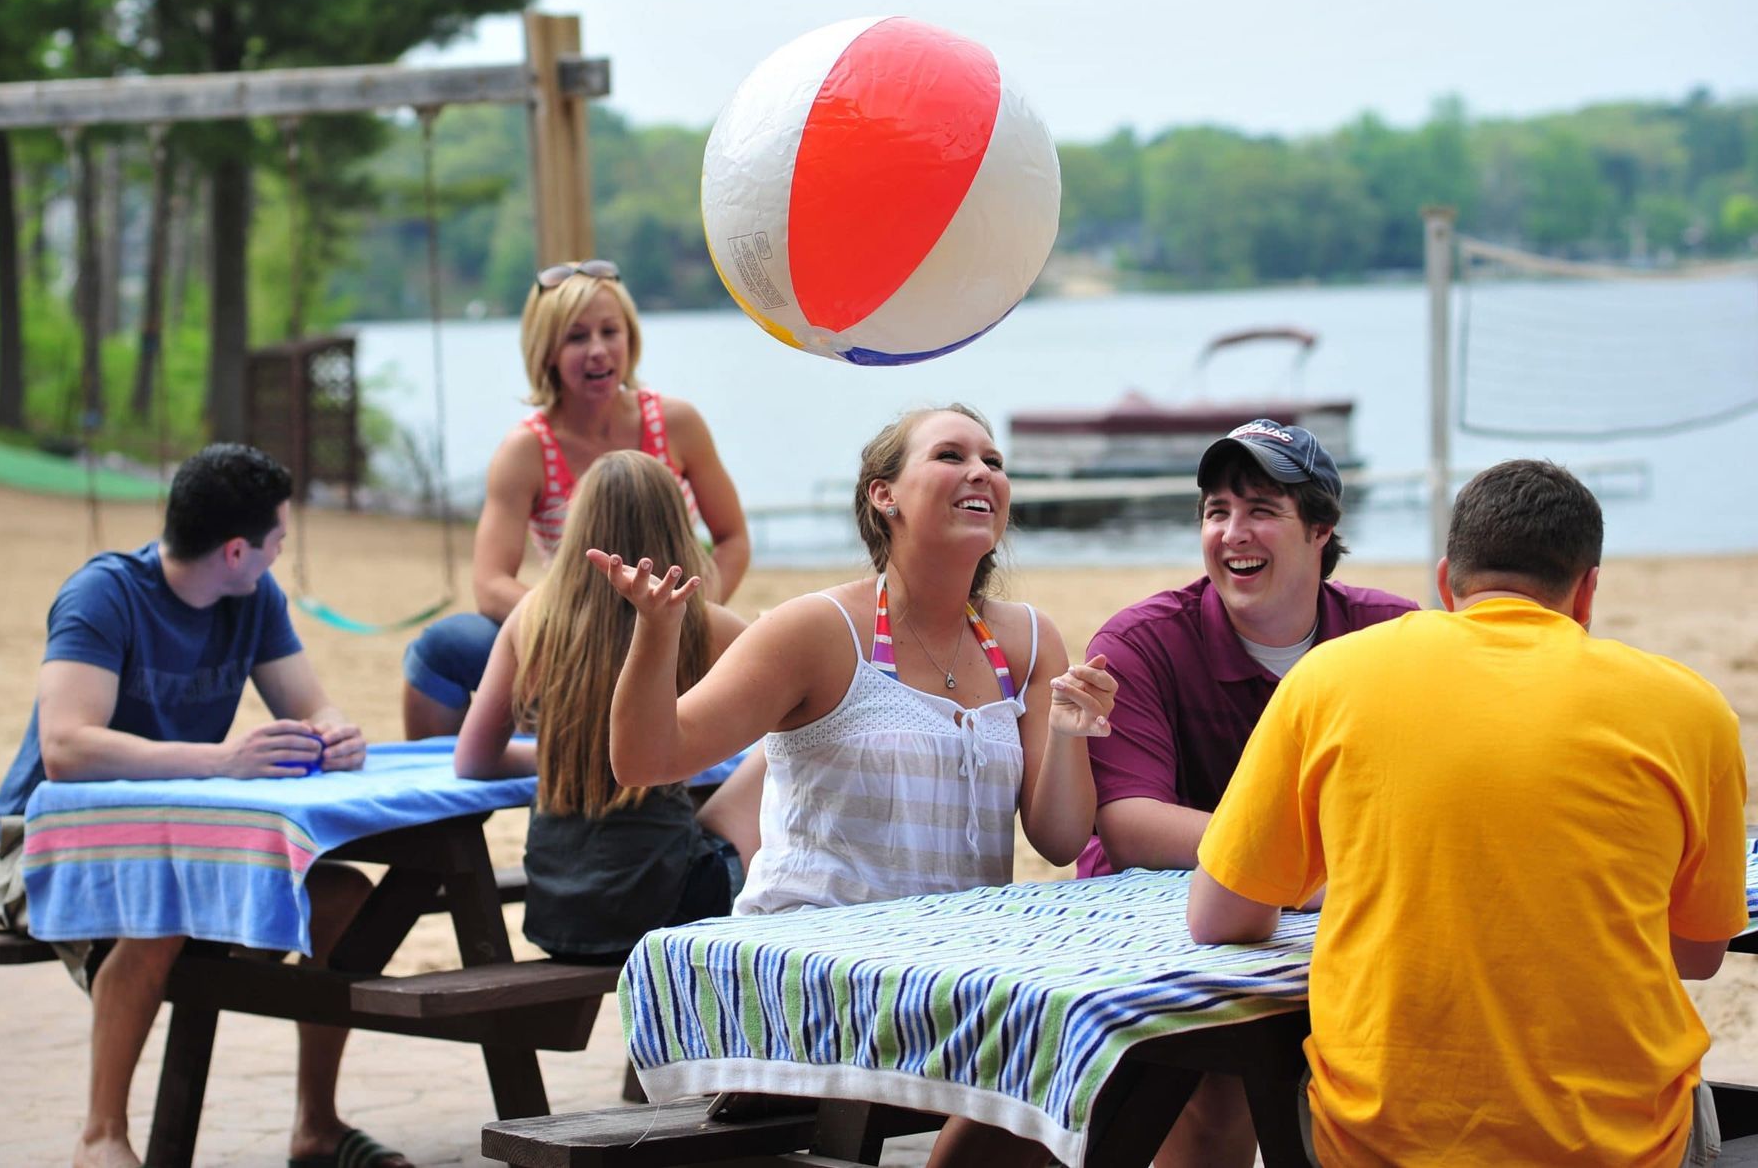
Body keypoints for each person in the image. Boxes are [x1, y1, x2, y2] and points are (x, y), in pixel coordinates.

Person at [590, 404, 1116, 1166]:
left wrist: (1070, 731)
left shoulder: (1028, 638)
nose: (982, 472)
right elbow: (644, 758)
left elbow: (1061, 837)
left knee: (1094, 1064)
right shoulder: (815, 630)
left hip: (946, 977)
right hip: (815, 975)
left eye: (994, 461)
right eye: (951, 455)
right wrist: (657, 630)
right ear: (884, 495)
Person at [1190, 459, 1747, 1166]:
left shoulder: (1329, 678)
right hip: (1619, 1145)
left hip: (1380, 1141)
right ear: (1587, 591)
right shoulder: (1693, 711)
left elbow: (1217, 917)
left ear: (1447, 581)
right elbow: (1697, 954)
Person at [0, 444, 410, 1168]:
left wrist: (334, 732)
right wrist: (224, 760)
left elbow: (311, 703)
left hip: (184, 839)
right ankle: (100, 1137)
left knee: (346, 900)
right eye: (277, 542)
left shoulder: (253, 598)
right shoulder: (103, 595)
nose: (279, 556)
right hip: (42, 843)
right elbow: (66, 749)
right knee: (159, 904)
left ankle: (317, 1125)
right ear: (236, 548)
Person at [1077, 418, 1416, 1167]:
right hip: (1165, 941)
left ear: (1321, 528)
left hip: (1326, 930)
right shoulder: (1140, 641)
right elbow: (1131, 825)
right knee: (1218, 1096)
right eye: (1215, 511)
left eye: (1261, 508)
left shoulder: (1394, 635)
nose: (1234, 531)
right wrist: (1299, 864)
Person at [401, 258, 749, 740]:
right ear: (546, 352)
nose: (598, 351)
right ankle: (444, 812)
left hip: (670, 624)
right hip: (571, 633)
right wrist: (569, 625)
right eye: (576, 337)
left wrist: (685, 612)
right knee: (440, 647)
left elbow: (732, 538)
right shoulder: (525, 450)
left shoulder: (676, 423)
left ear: (630, 338)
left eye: (610, 331)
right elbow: (490, 582)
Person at [453, 449, 751, 962]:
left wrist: (567, 753)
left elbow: (474, 760)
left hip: (556, 912)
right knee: (781, 756)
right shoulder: (706, 624)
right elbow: (799, 723)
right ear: (677, 526)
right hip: (668, 908)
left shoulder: (532, 617)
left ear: (577, 528)